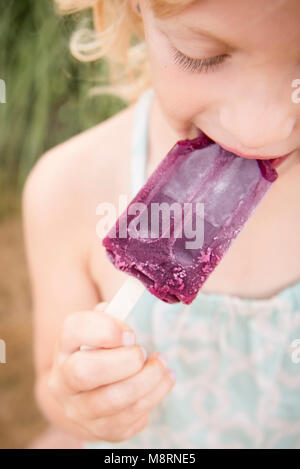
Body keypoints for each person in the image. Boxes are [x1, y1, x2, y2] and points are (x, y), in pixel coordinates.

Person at [22, 0, 300, 449]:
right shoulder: (66, 191)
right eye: (203, 55)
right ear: (132, 10)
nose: (258, 132)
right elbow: (51, 390)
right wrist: (80, 402)